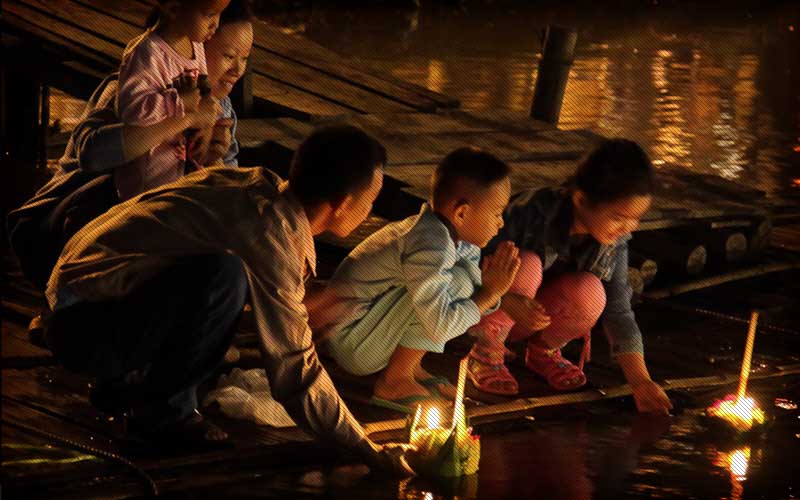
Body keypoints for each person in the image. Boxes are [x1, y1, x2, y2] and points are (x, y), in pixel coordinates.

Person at [44, 125, 414, 473]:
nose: (372, 211)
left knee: (226, 284)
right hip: (83, 328)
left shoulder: (254, 188)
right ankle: (164, 416)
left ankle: (127, 387)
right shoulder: (269, 230)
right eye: (371, 200)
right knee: (224, 276)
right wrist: (363, 445)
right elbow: (294, 368)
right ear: (344, 203)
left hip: (83, 311)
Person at [6, 0, 253, 293]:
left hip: (151, 228)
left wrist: (214, 157)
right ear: (195, 40)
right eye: (228, 56)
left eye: (245, 58)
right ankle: (67, 301)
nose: (238, 69)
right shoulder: (133, 88)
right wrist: (184, 119)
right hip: (62, 230)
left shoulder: (220, 109)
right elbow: (93, 156)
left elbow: (219, 192)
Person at [468, 139, 674, 414]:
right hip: (486, 308)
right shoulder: (529, 213)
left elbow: (618, 312)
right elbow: (466, 265)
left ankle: (543, 351)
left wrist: (641, 382)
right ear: (580, 199)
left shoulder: (614, 242)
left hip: (537, 317)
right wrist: (504, 298)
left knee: (592, 291)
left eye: (634, 219)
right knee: (525, 262)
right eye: (618, 217)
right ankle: (485, 352)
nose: (626, 228)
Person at [312, 147, 520, 413]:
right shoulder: (429, 245)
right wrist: (489, 294)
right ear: (462, 213)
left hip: (369, 331)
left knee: (461, 280)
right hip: (352, 340)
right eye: (497, 213)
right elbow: (440, 325)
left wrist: (489, 290)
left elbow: (470, 293)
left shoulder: (448, 235)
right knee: (456, 283)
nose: (500, 223)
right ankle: (395, 381)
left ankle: (409, 367)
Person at [113, 0, 229, 200]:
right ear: (173, 8)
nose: (216, 25)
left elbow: (203, 89)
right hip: (147, 184)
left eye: (219, 15)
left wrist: (207, 125)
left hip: (179, 172)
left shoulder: (196, 45)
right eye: (209, 15)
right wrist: (179, 102)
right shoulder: (147, 54)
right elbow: (131, 110)